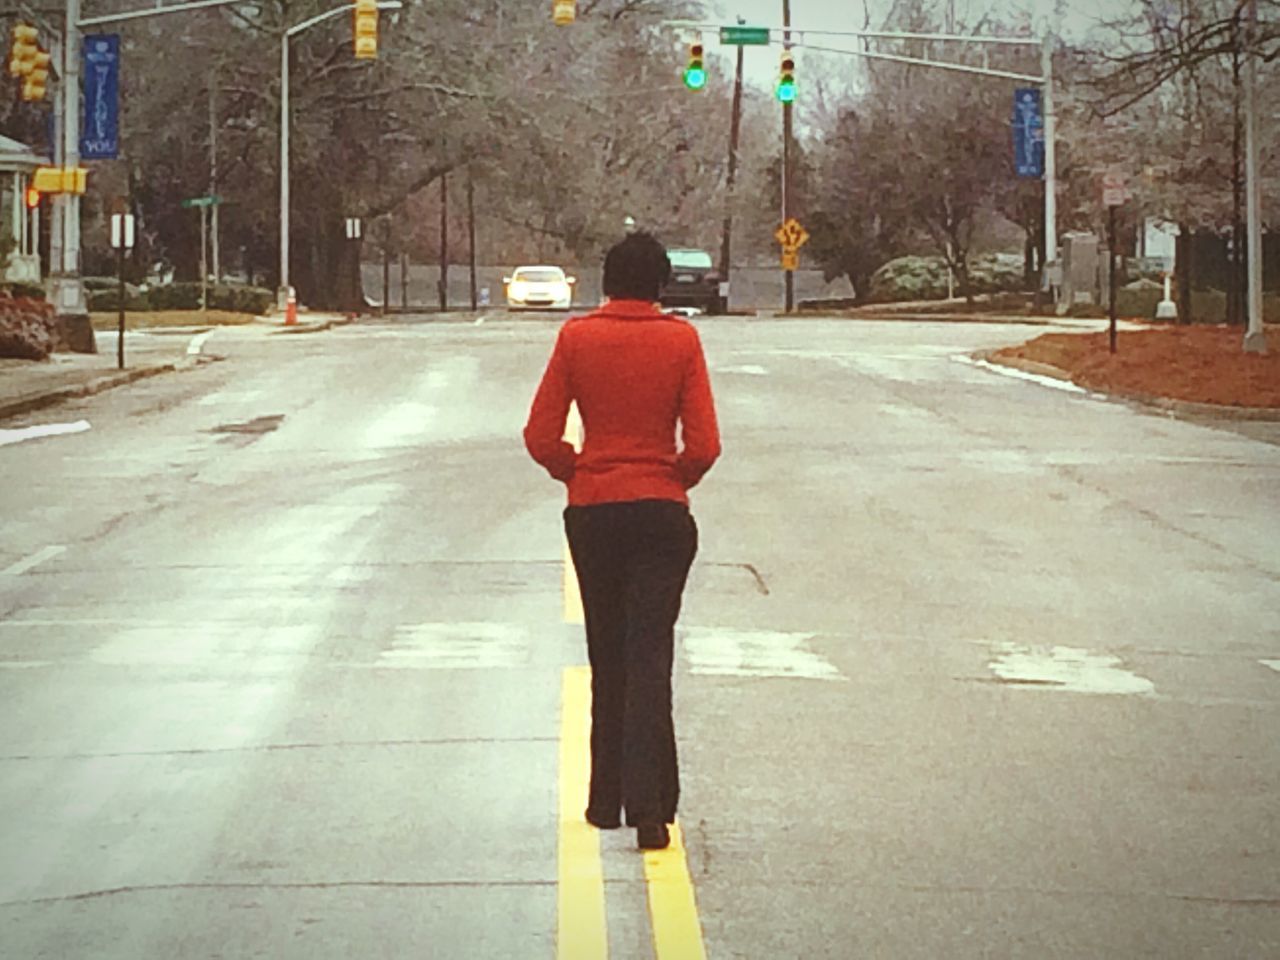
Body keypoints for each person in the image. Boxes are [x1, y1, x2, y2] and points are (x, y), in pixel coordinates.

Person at [523, 232, 721, 851]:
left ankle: (604, 799)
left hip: (595, 512)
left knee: (606, 653)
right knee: (650, 655)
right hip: (662, 513)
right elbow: (706, 445)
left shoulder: (576, 338)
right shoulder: (681, 340)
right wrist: (669, 476)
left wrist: (576, 469)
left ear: (606, 282)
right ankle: (651, 809)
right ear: (661, 285)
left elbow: (540, 434)